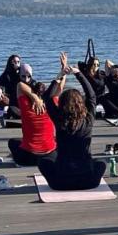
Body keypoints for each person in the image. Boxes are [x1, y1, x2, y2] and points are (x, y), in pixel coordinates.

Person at [37, 52, 107, 190]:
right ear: (81, 104)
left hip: (61, 182)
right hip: (88, 181)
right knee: (101, 162)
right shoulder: (88, 120)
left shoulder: (59, 120)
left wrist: (60, 75)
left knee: (43, 161)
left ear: (62, 105)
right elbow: (92, 96)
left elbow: (47, 98)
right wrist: (78, 73)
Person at [8, 73, 62, 166]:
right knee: (56, 140)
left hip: (28, 157)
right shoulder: (51, 105)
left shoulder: (25, 106)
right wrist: (63, 73)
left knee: (12, 142)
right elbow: (59, 88)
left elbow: (20, 85)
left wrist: (34, 98)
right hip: (49, 156)